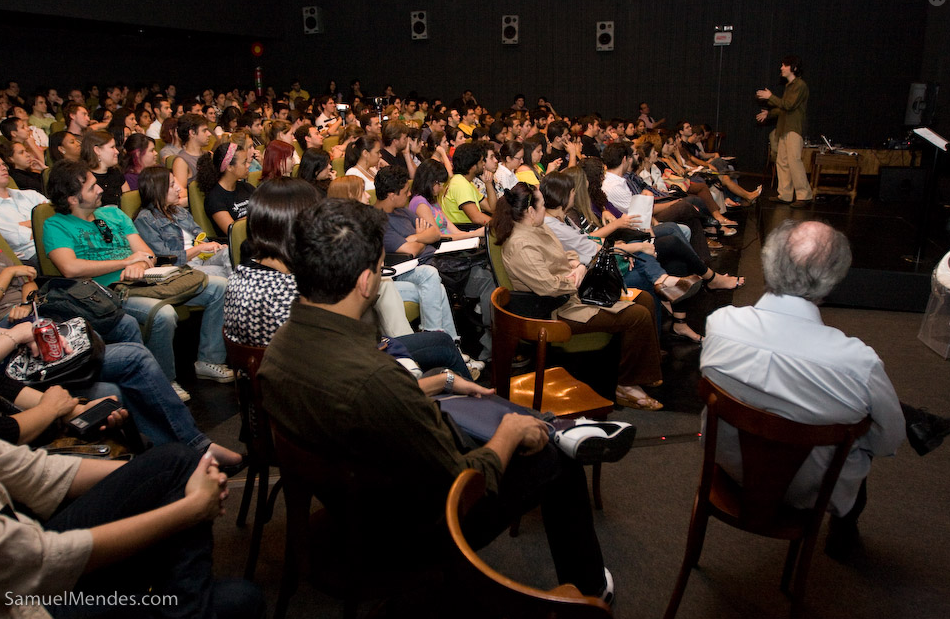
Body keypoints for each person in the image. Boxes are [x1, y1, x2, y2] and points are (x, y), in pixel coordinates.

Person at [258, 197, 615, 602]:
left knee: (478, 416)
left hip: (352, 502)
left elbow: (357, 402)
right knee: (555, 459)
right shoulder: (374, 378)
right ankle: (591, 589)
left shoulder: (281, 346)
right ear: (363, 281)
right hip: (410, 527)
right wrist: (511, 435)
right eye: (379, 268)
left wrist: (440, 381)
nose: (379, 278)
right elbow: (461, 481)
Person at [700, 219, 950, 561]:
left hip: (728, 467)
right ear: (832, 280)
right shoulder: (857, 362)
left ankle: (916, 419)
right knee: (861, 429)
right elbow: (887, 442)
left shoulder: (720, 324)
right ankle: (844, 533)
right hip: (809, 490)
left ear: (768, 263)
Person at [0, 438, 264, 619]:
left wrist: (155, 474)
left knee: (178, 461)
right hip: (23, 602)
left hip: (31, 548)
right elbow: (42, 560)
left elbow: (36, 471)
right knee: (242, 600)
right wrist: (192, 509)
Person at [42, 160, 235, 398]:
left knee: (221, 287)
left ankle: (209, 360)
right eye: (92, 187)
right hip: (105, 292)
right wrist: (126, 263)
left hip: (144, 280)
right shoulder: (55, 225)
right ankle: (165, 380)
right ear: (72, 199)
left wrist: (140, 263)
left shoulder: (112, 213)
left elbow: (147, 254)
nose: (101, 189)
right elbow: (70, 268)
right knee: (163, 314)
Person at [493, 182, 665, 410]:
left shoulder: (539, 228)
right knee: (638, 315)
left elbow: (564, 256)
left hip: (572, 292)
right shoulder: (520, 244)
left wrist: (575, 264)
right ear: (530, 211)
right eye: (542, 205)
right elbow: (549, 287)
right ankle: (626, 385)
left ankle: (641, 370)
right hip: (555, 308)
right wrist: (578, 273)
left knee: (643, 299)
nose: (546, 209)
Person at [135, 167, 231, 278]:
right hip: (181, 269)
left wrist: (214, 247)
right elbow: (163, 257)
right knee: (225, 272)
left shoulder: (179, 211)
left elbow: (201, 238)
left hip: (202, 258)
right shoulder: (145, 219)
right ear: (158, 189)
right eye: (172, 185)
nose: (178, 189)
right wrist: (198, 249)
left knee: (231, 253)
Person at [757, 55, 813, 206]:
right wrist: (769, 113)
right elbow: (783, 108)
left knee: (794, 161)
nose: (781, 68)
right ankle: (785, 194)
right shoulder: (789, 86)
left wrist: (770, 96)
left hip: (793, 129)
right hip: (783, 128)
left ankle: (804, 195)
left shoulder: (800, 85)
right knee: (782, 161)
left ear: (793, 68)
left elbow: (789, 105)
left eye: (784, 65)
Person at [196, 140, 254, 235]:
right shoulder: (214, 198)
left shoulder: (246, 187)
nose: (248, 165)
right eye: (244, 163)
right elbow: (233, 232)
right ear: (229, 167)